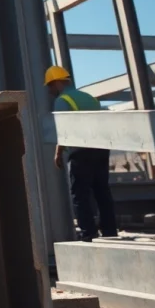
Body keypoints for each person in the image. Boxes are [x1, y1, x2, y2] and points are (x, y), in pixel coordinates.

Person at [46, 65, 117, 242]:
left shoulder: (63, 100)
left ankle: (88, 233)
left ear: (57, 83)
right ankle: (110, 232)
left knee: (80, 194)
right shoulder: (90, 97)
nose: (49, 90)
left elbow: (64, 129)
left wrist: (58, 152)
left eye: (49, 86)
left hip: (80, 150)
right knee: (102, 191)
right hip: (101, 149)